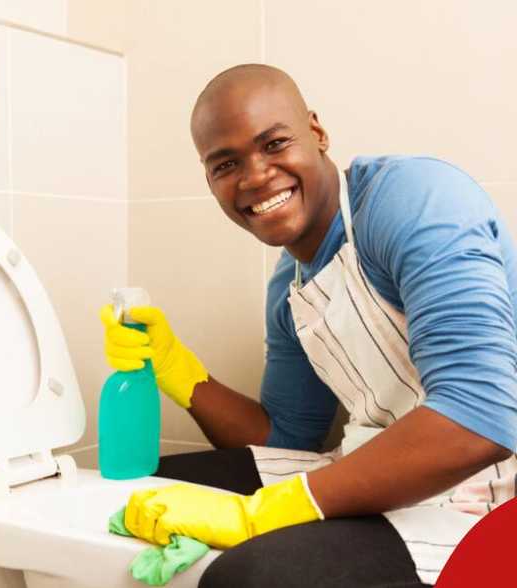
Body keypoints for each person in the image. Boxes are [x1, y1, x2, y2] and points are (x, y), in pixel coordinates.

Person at [102, 64, 517, 587]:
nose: (254, 177)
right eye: (226, 164)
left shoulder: (415, 202)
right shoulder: (291, 285)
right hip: (373, 474)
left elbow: (478, 419)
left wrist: (258, 517)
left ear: (317, 133)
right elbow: (286, 437)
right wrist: (179, 372)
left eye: (274, 144)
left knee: (248, 576)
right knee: (142, 496)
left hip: (487, 501)